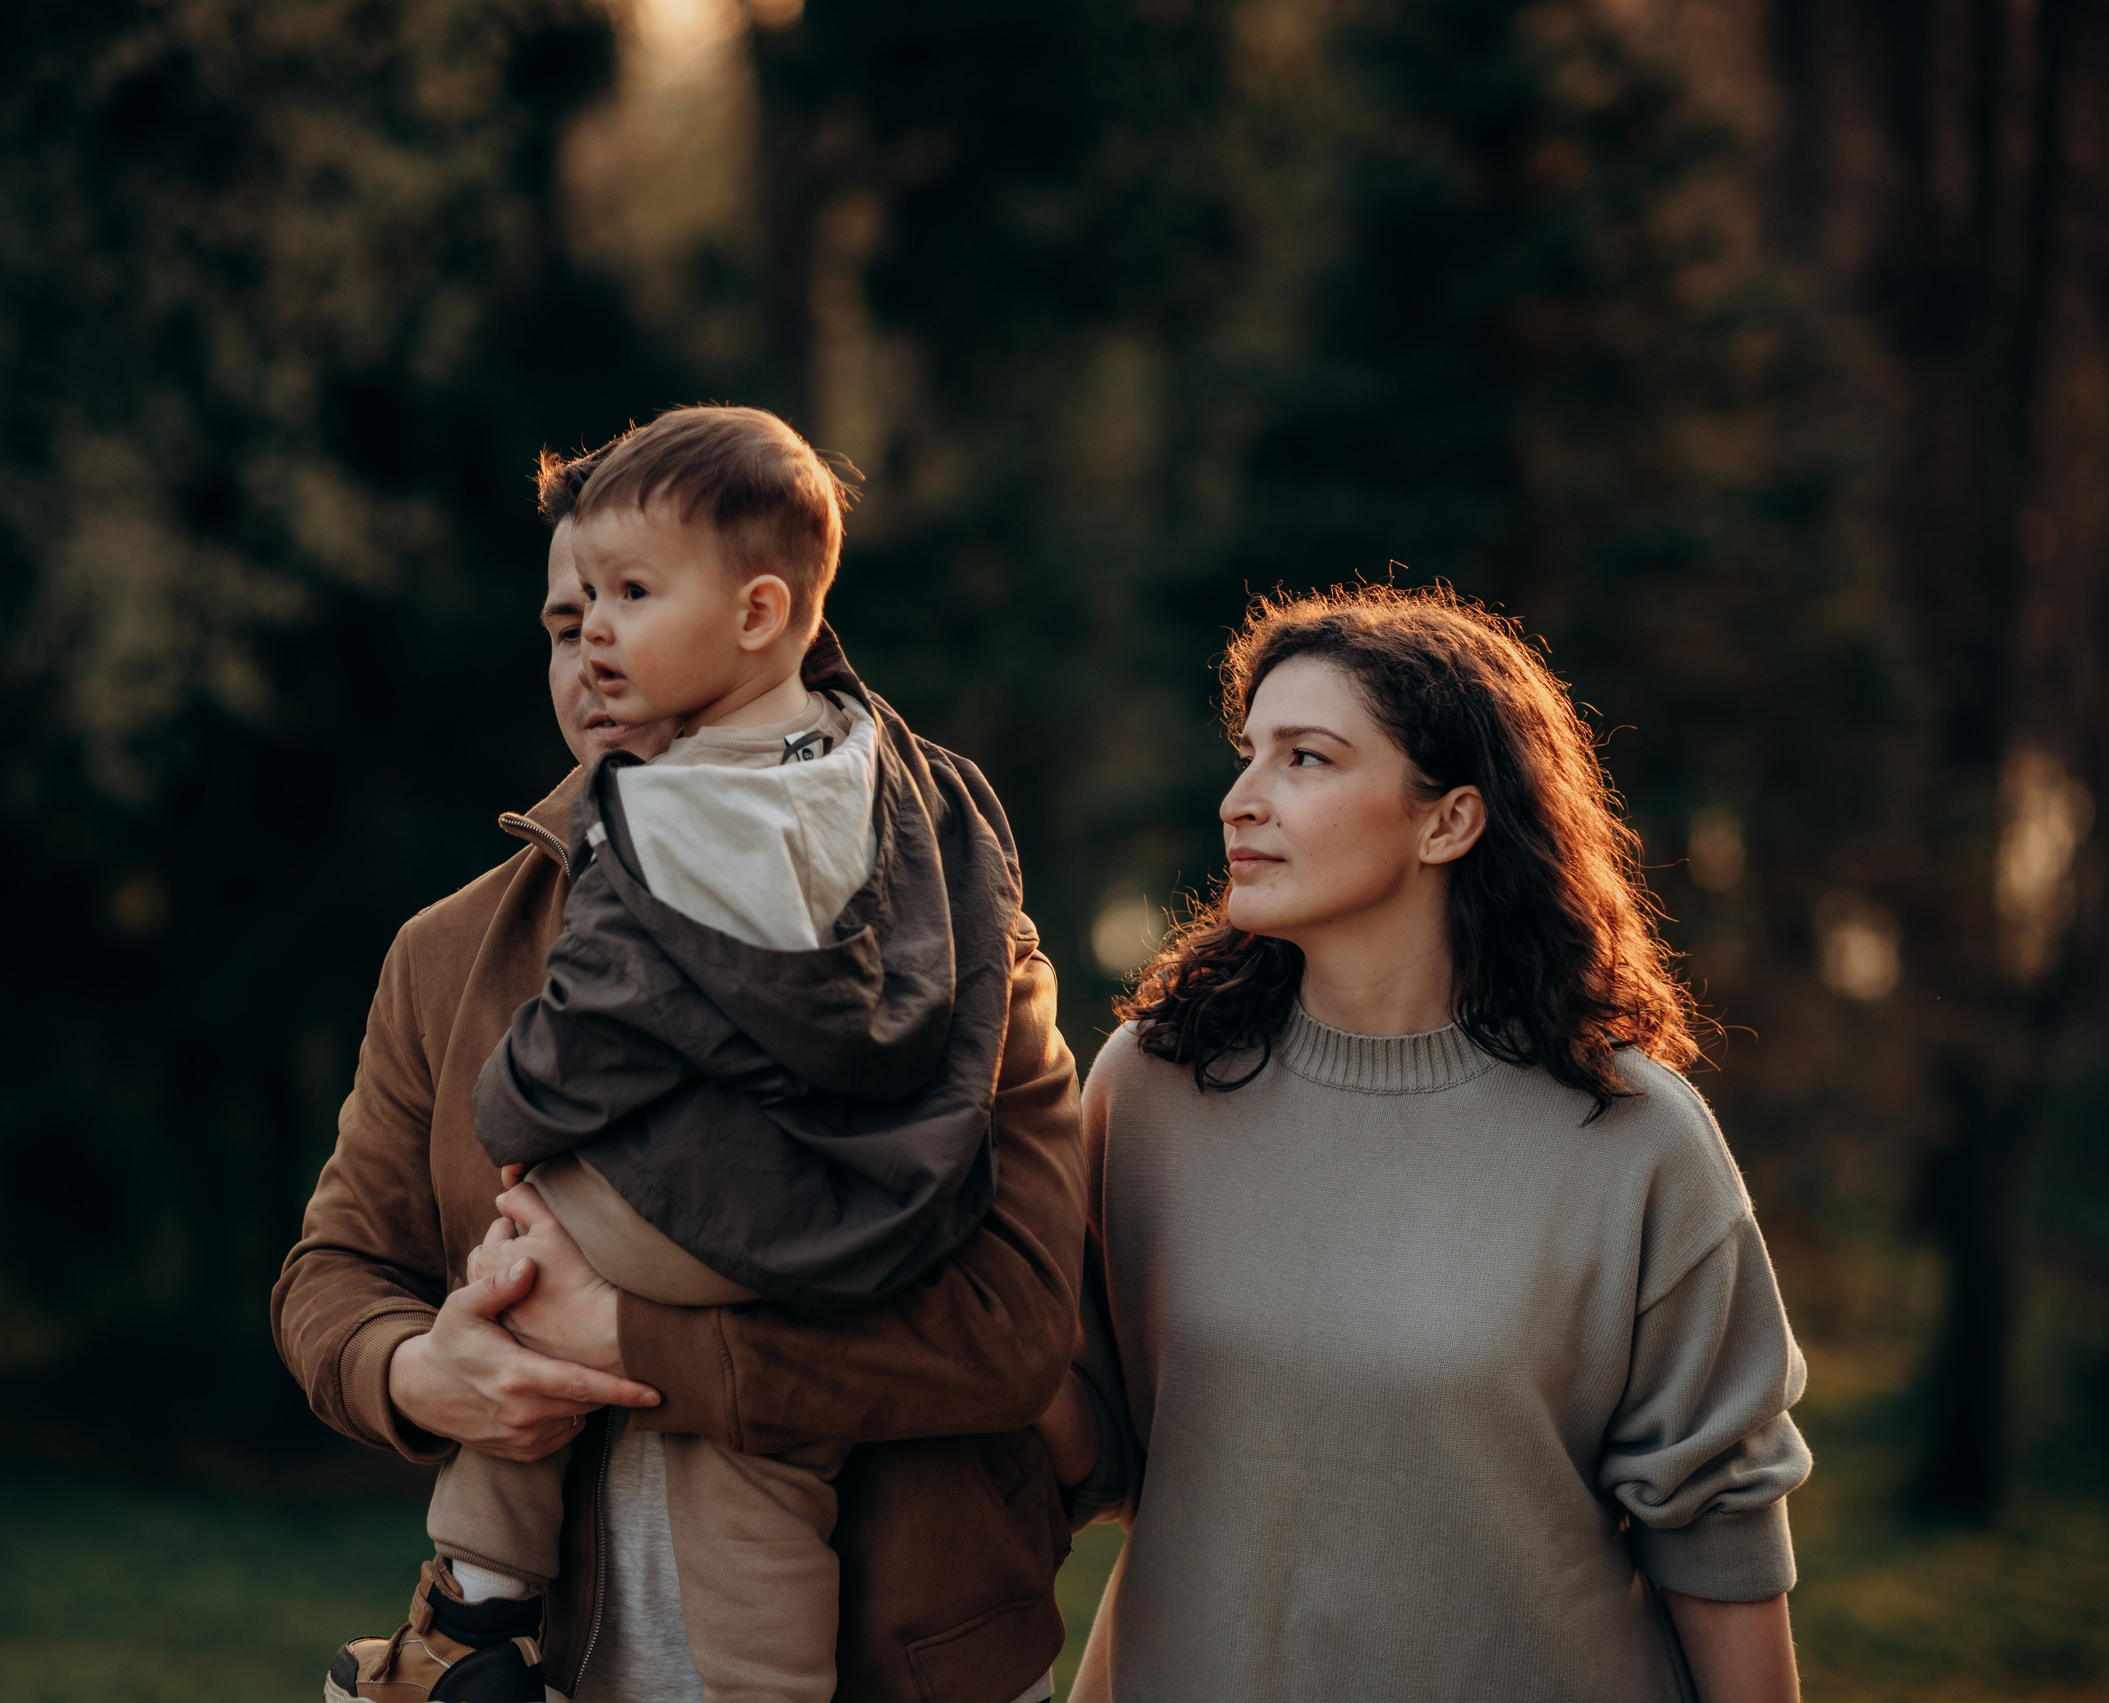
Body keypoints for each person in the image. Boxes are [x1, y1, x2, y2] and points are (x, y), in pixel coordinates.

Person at [272, 414, 1085, 1703]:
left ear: (764, 619)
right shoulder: (451, 953)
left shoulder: (954, 944)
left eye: (631, 600)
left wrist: (632, 1337)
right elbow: (331, 1273)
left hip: (912, 1669)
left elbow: (1012, 1334)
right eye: (562, 619)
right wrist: (425, 1372)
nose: (592, 649)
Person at [1039, 584, 1812, 1703]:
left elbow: (1716, 1523)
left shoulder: (1629, 1132)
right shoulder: (1151, 1085)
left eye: (1304, 758)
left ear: (1446, 820)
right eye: (1246, 753)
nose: (1240, 799)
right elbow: (1089, 1443)